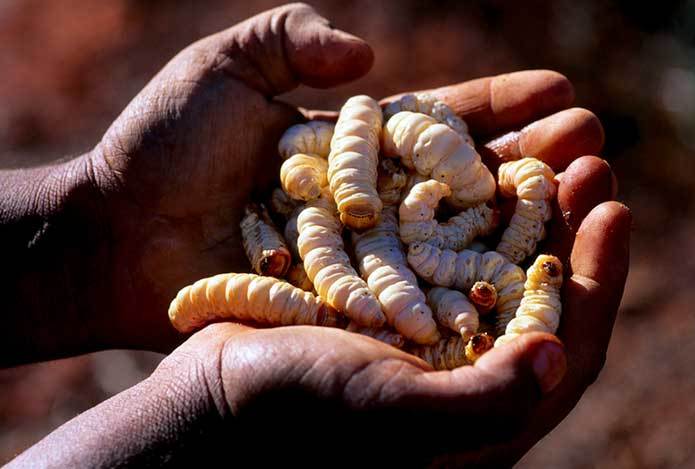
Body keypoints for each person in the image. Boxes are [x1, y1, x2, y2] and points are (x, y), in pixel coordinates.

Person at [2, 3, 630, 467]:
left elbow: (419, 238)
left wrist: (97, 218)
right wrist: (210, 410)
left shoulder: (419, 229)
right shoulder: (340, 211)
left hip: (421, 251)